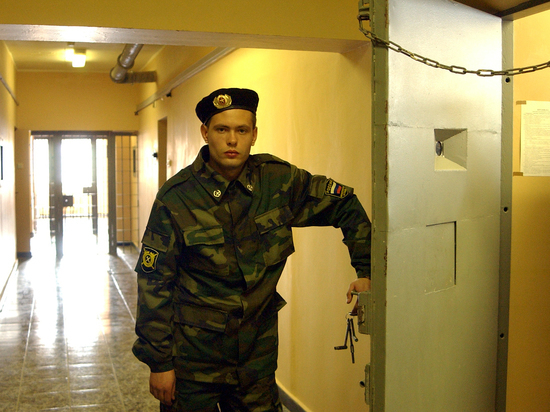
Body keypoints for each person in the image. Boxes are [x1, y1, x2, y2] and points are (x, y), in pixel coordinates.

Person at [132, 88, 371, 412]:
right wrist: (159, 363)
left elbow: (344, 203)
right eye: (222, 129)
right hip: (193, 361)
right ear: (205, 133)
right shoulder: (177, 197)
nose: (232, 140)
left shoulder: (278, 182)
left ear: (254, 134)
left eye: (242, 130)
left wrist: (366, 271)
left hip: (256, 361)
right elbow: (153, 283)